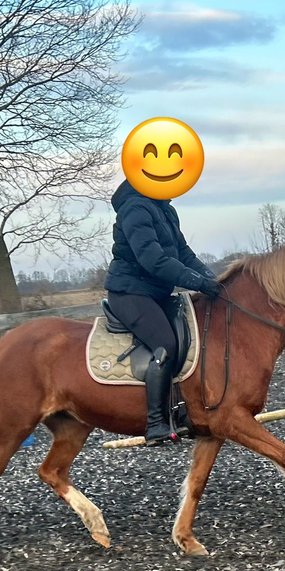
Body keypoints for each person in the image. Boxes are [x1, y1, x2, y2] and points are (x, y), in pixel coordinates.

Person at [104, 178, 223, 445]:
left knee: (191, 335)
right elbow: (152, 259)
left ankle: (181, 409)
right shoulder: (135, 207)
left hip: (156, 292)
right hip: (130, 291)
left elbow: (183, 253)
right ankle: (156, 423)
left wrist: (213, 280)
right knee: (165, 343)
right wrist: (196, 283)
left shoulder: (164, 209)